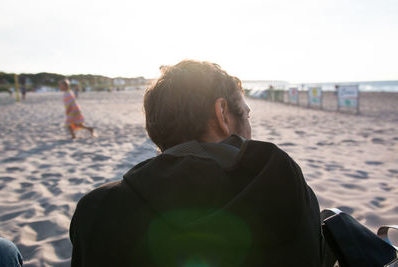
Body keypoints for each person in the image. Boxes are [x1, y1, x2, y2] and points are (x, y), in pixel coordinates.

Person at [70, 60, 322, 266]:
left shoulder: (98, 211)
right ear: (222, 113)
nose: (249, 125)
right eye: (245, 114)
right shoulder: (291, 193)